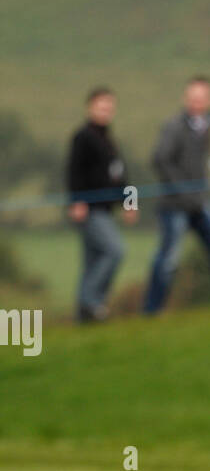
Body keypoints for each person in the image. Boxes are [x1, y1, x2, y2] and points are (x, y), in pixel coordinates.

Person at [144, 77, 210, 314]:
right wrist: (183, 189)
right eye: (193, 98)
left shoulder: (206, 124)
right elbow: (161, 159)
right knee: (168, 260)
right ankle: (152, 311)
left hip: (200, 202)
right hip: (175, 204)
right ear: (185, 99)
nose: (197, 103)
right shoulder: (174, 126)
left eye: (202, 98)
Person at [66, 87, 137, 322]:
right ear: (90, 107)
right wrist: (76, 201)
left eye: (109, 107)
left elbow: (121, 174)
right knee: (114, 250)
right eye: (101, 106)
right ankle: (91, 302)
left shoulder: (109, 139)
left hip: (106, 209)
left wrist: (130, 202)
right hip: (91, 210)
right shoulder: (83, 137)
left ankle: (85, 314)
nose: (106, 111)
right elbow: (73, 171)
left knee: (93, 260)